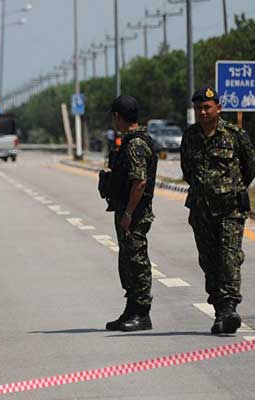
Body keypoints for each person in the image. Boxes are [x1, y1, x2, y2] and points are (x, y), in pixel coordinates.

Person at [180, 86, 255, 334]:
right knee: (209, 261)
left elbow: (251, 167)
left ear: (218, 108)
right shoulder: (190, 137)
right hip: (201, 211)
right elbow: (186, 171)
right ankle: (219, 310)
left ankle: (229, 308)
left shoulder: (235, 135)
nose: (203, 112)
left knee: (229, 257)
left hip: (230, 211)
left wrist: (231, 188)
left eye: (207, 107)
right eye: (199, 108)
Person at [103, 95, 157, 332]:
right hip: (128, 209)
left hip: (134, 212)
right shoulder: (130, 141)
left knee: (136, 260)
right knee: (127, 260)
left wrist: (128, 213)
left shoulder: (135, 144)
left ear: (117, 117)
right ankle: (131, 309)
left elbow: (140, 182)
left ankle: (142, 313)